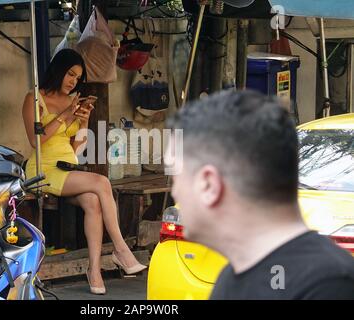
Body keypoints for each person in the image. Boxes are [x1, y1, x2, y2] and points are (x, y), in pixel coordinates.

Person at [166, 90, 354, 299]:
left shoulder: (330, 285)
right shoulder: (232, 278)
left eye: (176, 177)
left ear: (209, 184)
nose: (174, 192)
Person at [22, 49, 146, 295]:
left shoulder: (72, 101)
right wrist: (64, 116)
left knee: (93, 202)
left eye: (77, 78)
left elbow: (77, 147)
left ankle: (95, 270)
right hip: (43, 169)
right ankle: (120, 249)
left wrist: (84, 121)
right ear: (58, 70)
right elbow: (36, 140)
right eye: (70, 74)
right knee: (101, 183)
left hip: (68, 168)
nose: (72, 82)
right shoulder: (35, 99)